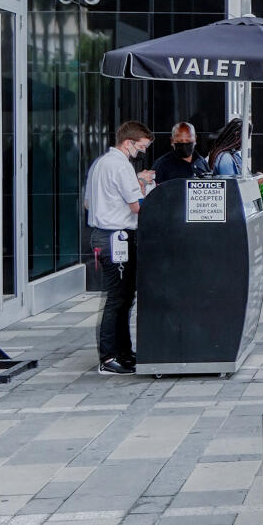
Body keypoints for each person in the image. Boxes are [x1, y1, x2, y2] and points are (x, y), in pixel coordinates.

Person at [87, 121, 152, 374]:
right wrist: (143, 183)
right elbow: (136, 206)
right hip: (118, 238)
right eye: (141, 147)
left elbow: (88, 203)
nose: (142, 152)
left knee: (123, 298)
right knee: (118, 299)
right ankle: (109, 357)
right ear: (128, 143)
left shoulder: (100, 164)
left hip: (103, 236)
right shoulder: (122, 166)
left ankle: (124, 352)